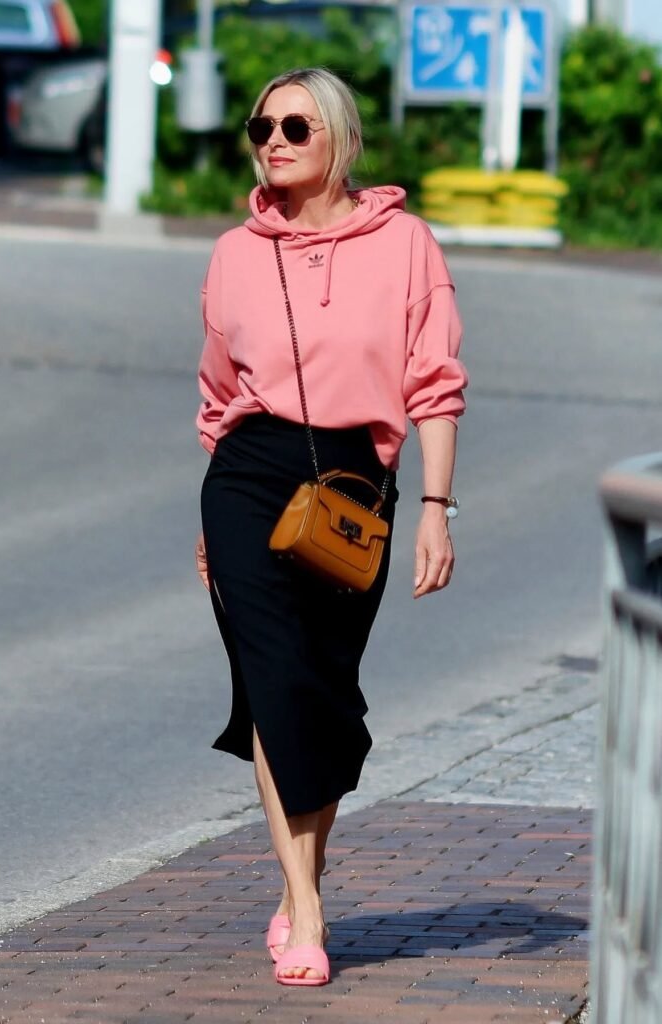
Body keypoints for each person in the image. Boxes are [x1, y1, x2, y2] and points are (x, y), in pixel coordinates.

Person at [194, 67, 468, 986]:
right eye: (260, 124)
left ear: (339, 139)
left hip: (357, 487)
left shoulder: (406, 245)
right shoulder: (235, 250)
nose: (272, 139)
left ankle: (297, 884)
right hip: (247, 480)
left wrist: (434, 506)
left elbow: (434, 383)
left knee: (321, 692)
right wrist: (210, 521)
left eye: (294, 126)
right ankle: (307, 908)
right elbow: (218, 392)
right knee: (272, 683)